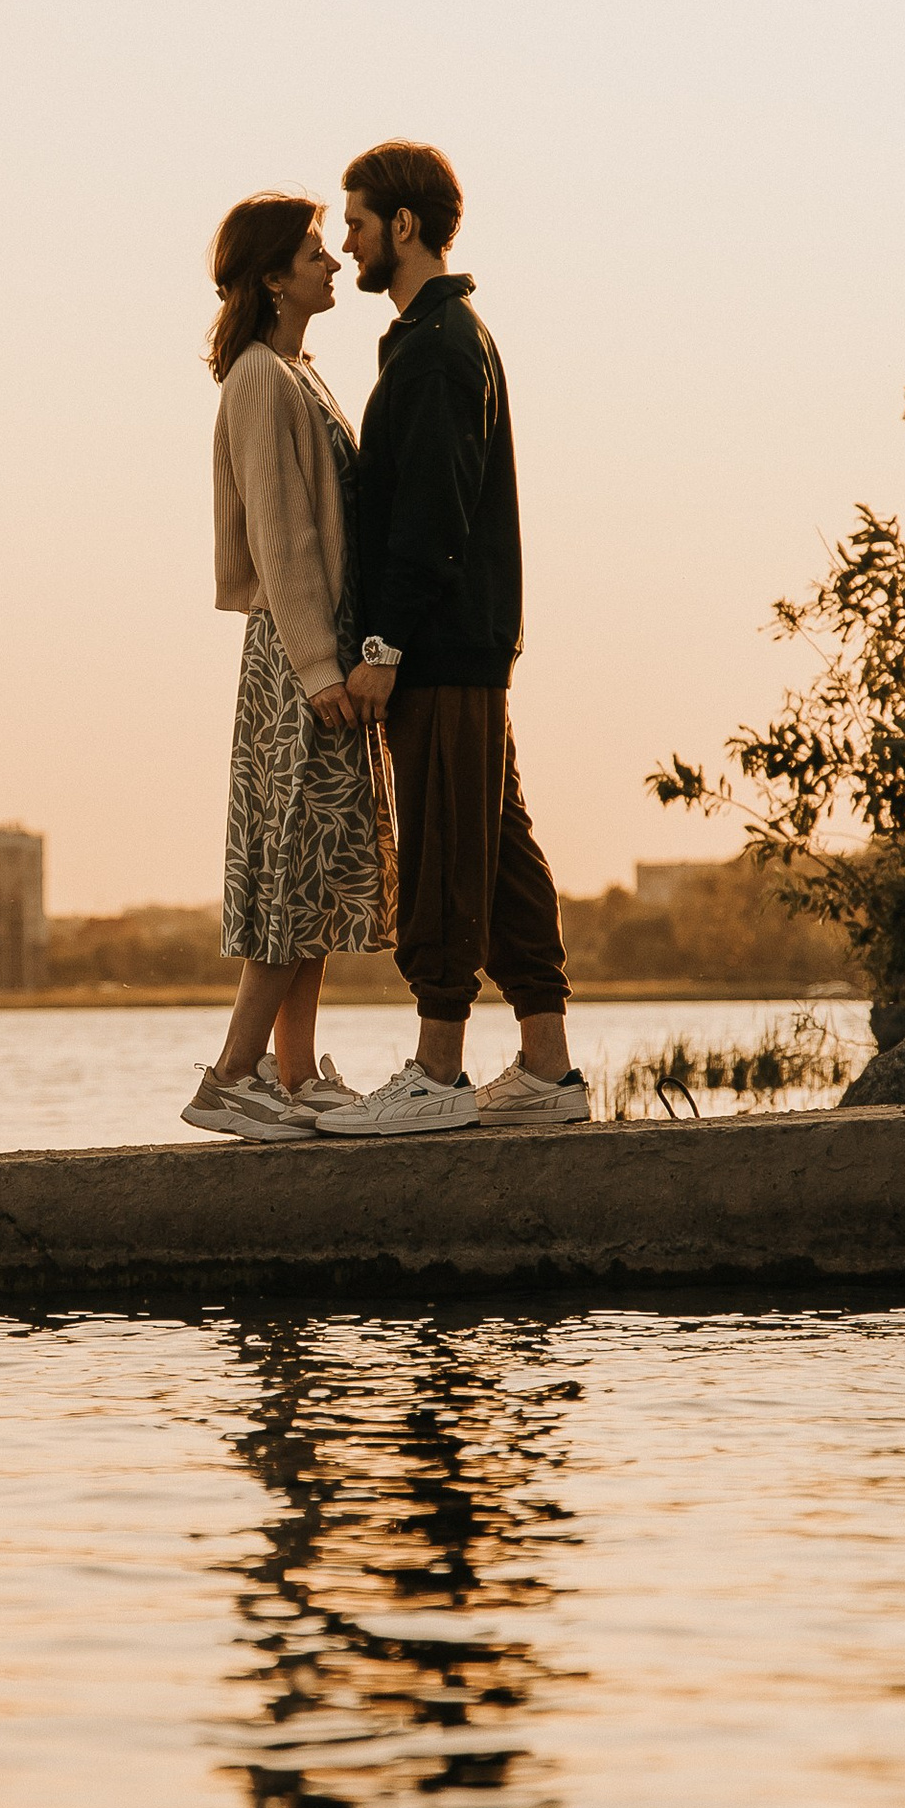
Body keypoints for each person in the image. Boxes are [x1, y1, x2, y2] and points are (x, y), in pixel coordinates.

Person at [313, 139, 589, 1138]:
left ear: (404, 226)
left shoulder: (438, 347)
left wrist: (381, 650)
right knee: (499, 850)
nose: (344, 246)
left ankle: (436, 1072)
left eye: (355, 224)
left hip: (440, 651)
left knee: (439, 851)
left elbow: (431, 519)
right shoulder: (437, 338)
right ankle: (549, 1072)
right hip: (460, 646)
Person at [182, 193, 396, 1141]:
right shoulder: (263, 377)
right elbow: (283, 532)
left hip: (319, 649)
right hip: (297, 656)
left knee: (308, 875)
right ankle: (232, 1078)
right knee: (287, 874)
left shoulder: (298, 371)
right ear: (274, 276)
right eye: (317, 251)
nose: (335, 261)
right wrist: (318, 665)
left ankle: (299, 1075)